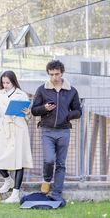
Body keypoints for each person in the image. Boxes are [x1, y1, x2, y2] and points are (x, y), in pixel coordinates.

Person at [31, 60, 81, 197]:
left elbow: (78, 111)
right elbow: (34, 110)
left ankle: (57, 192)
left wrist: (67, 115)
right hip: (47, 130)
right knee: (49, 160)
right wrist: (44, 108)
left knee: (61, 163)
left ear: (62, 73)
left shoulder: (71, 91)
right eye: (51, 74)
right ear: (48, 74)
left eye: (57, 74)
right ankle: (47, 180)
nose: (54, 77)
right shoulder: (42, 89)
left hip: (64, 131)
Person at [0, 71, 33, 203]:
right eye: (3, 82)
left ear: (13, 81)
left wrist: (29, 113)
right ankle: (8, 180)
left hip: (18, 128)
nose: (5, 85)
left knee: (19, 161)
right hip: (3, 128)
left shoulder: (22, 95)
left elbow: (27, 116)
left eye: (8, 82)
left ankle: (15, 194)